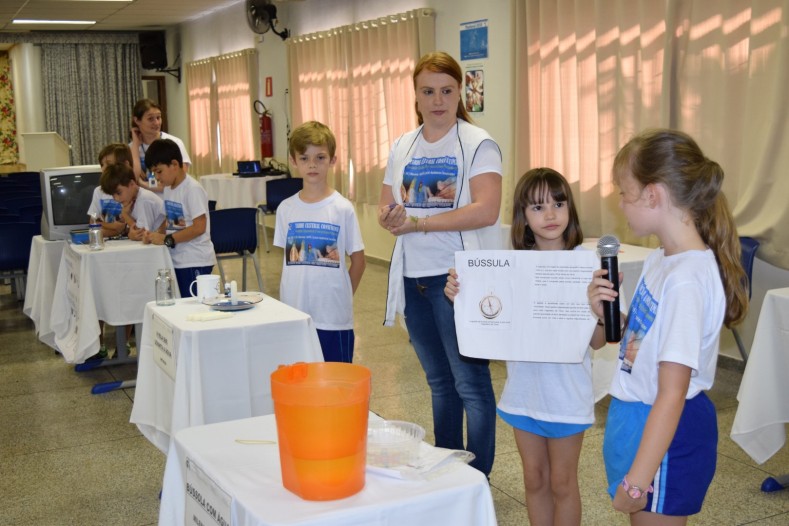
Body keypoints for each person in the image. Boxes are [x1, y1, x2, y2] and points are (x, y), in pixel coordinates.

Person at [587, 129, 748, 525]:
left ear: (653, 195)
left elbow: (672, 395)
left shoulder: (687, 280)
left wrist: (639, 482)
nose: (620, 204)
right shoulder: (663, 260)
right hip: (639, 416)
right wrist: (611, 316)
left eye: (624, 193)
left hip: (667, 433)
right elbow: (646, 341)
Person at [445, 168, 608, 525]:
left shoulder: (588, 266)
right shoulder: (510, 266)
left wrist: (599, 311)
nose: (550, 215)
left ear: (570, 209)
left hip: (566, 397)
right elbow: (487, 325)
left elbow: (598, 341)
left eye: (558, 204)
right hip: (523, 394)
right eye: (537, 207)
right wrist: (463, 296)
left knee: (563, 484)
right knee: (533, 480)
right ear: (523, 216)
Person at [377, 51, 502, 476]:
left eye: (447, 91)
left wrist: (419, 222)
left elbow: (487, 209)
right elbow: (387, 205)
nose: (437, 100)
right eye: (428, 91)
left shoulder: (477, 143)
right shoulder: (402, 146)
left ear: (460, 92)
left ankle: (478, 475)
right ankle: (451, 470)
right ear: (415, 95)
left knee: (471, 384)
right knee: (439, 383)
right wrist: (391, 218)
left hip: (457, 279)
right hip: (414, 280)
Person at [274, 121, 365, 363]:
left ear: (332, 160)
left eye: (320, 157)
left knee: (336, 385)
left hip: (333, 318)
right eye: (304, 158)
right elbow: (286, 260)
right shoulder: (286, 209)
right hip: (295, 314)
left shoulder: (342, 208)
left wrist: (343, 295)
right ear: (294, 161)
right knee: (300, 383)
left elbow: (358, 261)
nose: (312, 164)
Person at [142, 138, 215, 297]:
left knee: (197, 310)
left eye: (159, 171)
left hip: (195, 261)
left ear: (174, 164)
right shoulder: (169, 188)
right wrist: (155, 234)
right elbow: (169, 219)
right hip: (177, 259)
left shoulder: (192, 189)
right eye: (153, 173)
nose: (156, 177)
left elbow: (199, 227)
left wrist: (167, 240)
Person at [130, 99, 191, 193]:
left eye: (158, 117)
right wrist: (135, 146)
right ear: (137, 120)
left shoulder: (174, 143)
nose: (156, 123)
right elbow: (131, 182)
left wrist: (142, 184)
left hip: (168, 200)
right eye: (150, 119)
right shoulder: (131, 148)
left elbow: (179, 180)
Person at [99, 163, 166, 241]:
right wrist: (130, 233)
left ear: (132, 184)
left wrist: (126, 215)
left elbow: (142, 234)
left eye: (119, 193)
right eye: (113, 195)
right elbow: (131, 230)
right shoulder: (129, 200)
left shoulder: (144, 199)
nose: (116, 199)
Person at [88, 143, 131, 239]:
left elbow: (129, 227)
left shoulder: (130, 190)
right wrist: (112, 227)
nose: (103, 168)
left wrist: (106, 230)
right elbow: (93, 220)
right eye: (102, 164)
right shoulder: (99, 191)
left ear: (125, 165)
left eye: (109, 164)